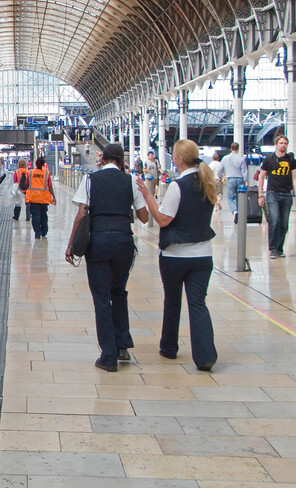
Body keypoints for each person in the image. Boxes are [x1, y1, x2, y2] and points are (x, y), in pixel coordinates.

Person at [136, 139, 218, 372]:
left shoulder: (177, 186)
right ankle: (205, 356)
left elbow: (163, 219)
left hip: (175, 256)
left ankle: (169, 347)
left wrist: (147, 195)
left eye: (174, 155)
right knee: (198, 303)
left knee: (172, 301)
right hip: (203, 255)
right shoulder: (207, 183)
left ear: (180, 160)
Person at [66, 144, 148, 372]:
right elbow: (143, 218)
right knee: (119, 292)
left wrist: (71, 244)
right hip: (124, 243)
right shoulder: (131, 181)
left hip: (99, 243)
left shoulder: (91, 180)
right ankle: (122, 346)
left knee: (102, 298)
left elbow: (81, 214)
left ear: (102, 160)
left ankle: (109, 356)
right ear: (121, 161)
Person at [257, 134, 296, 259]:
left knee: (284, 224)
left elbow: (294, 177)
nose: (283, 145)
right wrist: (260, 195)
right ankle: (273, 248)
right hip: (272, 193)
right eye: (281, 143)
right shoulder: (269, 159)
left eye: (285, 143)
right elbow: (261, 177)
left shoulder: (291, 160)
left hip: (286, 195)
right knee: (275, 220)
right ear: (276, 145)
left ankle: (279, 248)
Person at [25, 156, 55, 239]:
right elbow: (50, 186)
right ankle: (44, 231)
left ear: (35, 164)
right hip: (43, 198)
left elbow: (27, 184)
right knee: (43, 215)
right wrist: (54, 197)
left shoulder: (30, 172)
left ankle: (37, 233)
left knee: (35, 216)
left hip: (33, 198)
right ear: (43, 165)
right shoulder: (46, 174)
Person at [221, 142, 248, 218]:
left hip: (230, 179)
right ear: (238, 149)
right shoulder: (241, 158)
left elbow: (220, 169)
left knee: (230, 197)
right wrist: (246, 180)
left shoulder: (225, 158)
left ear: (231, 148)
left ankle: (235, 211)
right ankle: (240, 212)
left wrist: (220, 177)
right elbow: (244, 170)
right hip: (240, 179)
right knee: (239, 197)